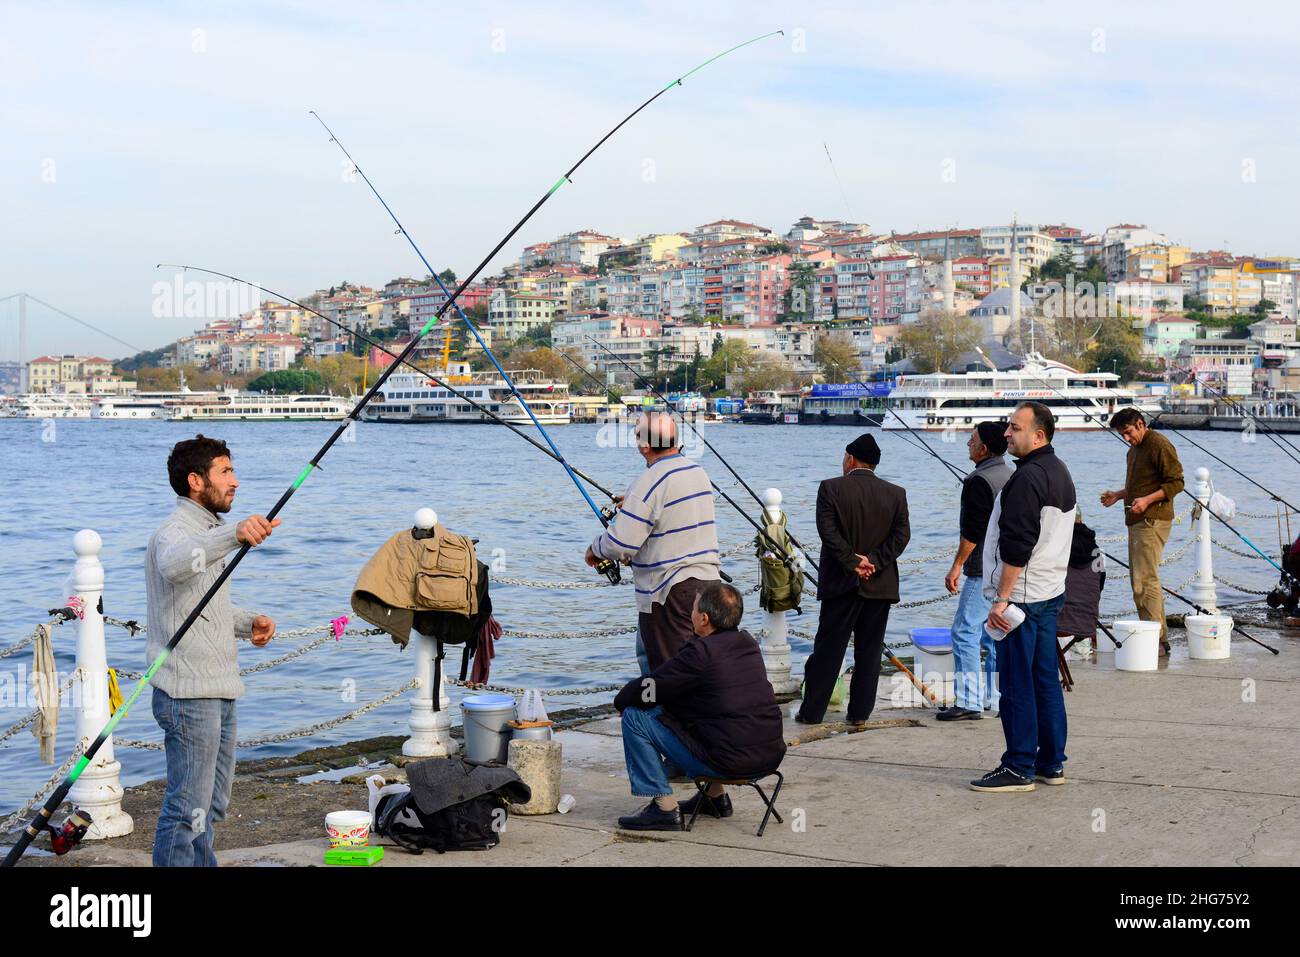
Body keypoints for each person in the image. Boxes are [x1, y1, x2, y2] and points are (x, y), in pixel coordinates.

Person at [145, 435, 278, 866]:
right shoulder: (175, 532)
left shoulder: (208, 532)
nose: (235, 481)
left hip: (220, 688)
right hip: (187, 694)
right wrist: (235, 535)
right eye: (225, 471)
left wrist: (248, 622)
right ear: (195, 481)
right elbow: (175, 563)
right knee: (187, 810)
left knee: (211, 807)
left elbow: (205, 602)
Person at [613, 581, 785, 830]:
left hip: (731, 763)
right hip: (769, 756)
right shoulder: (748, 644)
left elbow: (651, 687)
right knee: (704, 713)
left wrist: (621, 701)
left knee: (634, 716)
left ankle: (664, 808)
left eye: (692, 609)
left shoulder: (701, 652)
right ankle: (715, 797)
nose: (689, 613)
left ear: (703, 618)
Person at [971, 402, 1076, 793]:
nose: (1007, 434)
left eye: (1015, 428)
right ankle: (1051, 762)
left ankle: (1018, 766)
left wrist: (1002, 599)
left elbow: (1017, 545)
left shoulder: (1028, 478)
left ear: (1039, 435)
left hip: (1023, 597)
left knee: (1016, 682)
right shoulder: (1058, 470)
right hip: (1049, 591)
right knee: (1044, 678)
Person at [586, 411, 720, 672]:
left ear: (645, 445)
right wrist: (637, 505)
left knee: (670, 670)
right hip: (707, 584)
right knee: (701, 662)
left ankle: (667, 714)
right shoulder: (698, 472)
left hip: (669, 592)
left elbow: (622, 543)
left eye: (637, 435)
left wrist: (594, 550)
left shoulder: (648, 481)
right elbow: (673, 510)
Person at [796, 433, 910, 727]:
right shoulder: (896, 493)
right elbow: (901, 537)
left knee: (828, 651)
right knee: (869, 653)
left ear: (850, 458)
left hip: (840, 584)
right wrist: (874, 561)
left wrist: (852, 561)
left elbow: (828, 531)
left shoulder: (831, 488)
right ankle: (859, 714)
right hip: (880, 584)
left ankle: (812, 713)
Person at [939, 422, 1013, 721]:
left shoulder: (979, 481)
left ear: (984, 448)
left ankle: (968, 701)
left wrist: (956, 565)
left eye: (972, 440)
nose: (967, 443)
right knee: (993, 635)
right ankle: (995, 699)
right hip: (1007, 567)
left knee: (963, 632)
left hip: (983, 569)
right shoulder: (1010, 475)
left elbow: (972, 531)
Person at [1098, 408, 1184, 656]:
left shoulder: (1158, 443)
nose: (1126, 438)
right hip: (1138, 519)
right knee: (1141, 581)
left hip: (1152, 519)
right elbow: (1139, 485)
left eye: (1128, 432)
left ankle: (1157, 640)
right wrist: (1118, 495)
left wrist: (1146, 501)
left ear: (1140, 424)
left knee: (1145, 581)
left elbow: (1176, 482)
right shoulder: (1133, 450)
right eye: (1122, 434)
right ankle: (1158, 638)